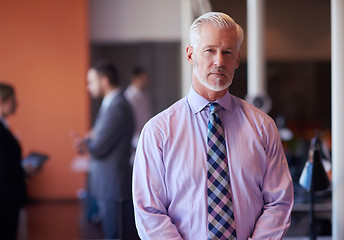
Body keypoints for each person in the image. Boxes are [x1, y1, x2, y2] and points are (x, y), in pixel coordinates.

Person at [132, 12, 294, 240]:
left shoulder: (263, 127)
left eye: (227, 52)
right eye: (209, 50)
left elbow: (279, 201)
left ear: (237, 60)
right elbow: (149, 211)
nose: (219, 61)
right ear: (190, 55)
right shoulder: (158, 132)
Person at [71, 59, 134, 239]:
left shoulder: (116, 106)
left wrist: (86, 143)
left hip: (112, 184)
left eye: (91, 82)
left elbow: (98, 147)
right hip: (107, 181)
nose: (88, 87)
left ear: (105, 81)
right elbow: (100, 138)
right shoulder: (111, 104)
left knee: (114, 235)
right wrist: (88, 141)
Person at [0, 81, 35, 240]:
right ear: (1, 102)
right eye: (13, 99)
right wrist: (24, 170)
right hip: (1, 201)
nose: (16, 103)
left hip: (6, 198)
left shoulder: (0, 127)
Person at [124, 67, 153, 165]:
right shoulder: (128, 98)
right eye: (142, 78)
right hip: (133, 141)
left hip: (144, 137)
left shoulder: (145, 97)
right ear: (134, 79)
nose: (145, 81)